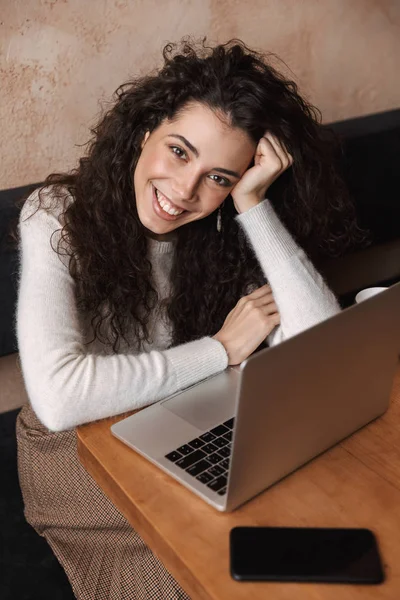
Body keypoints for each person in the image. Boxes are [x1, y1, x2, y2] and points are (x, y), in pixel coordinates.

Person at [11, 38, 366, 599]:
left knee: (301, 525)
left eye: (220, 176)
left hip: (182, 416)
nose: (184, 191)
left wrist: (253, 205)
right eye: (179, 151)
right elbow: (59, 399)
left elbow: (319, 351)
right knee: (202, 565)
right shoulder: (56, 216)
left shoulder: (226, 228)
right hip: (77, 452)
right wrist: (222, 350)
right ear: (147, 126)